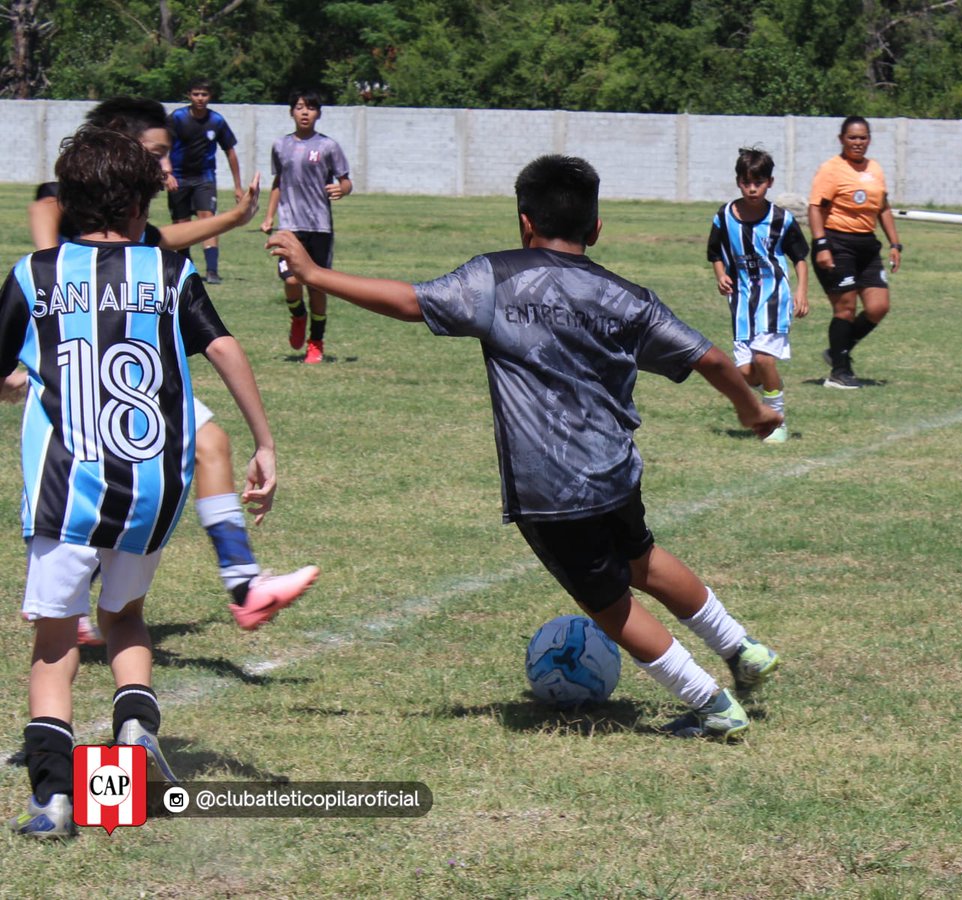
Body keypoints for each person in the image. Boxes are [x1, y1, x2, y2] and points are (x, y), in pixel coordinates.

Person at [268, 155, 781, 739]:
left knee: (610, 605)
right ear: (596, 229)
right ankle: (742, 647)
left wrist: (313, 274)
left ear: (523, 221)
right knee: (643, 560)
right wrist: (753, 408)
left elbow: (410, 301)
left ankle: (711, 704)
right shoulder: (627, 297)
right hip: (614, 470)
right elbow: (710, 357)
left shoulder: (496, 278)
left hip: (552, 489)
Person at [2, 126, 278, 836]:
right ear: (142, 201)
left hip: (66, 490)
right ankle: (129, 744)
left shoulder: (34, 275)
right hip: (150, 491)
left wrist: (16, 384)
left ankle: (54, 801)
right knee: (124, 617)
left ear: (67, 201)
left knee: (57, 644)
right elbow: (221, 345)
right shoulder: (171, 272)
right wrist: (264, 439)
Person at [25, 97, 319, 641]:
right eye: (157, 154)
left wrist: (231, 219)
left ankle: (243, 585)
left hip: (128, 368)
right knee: (105, 471)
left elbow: (156, 245)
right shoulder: (62, 199)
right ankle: (75, 602)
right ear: (119, 141)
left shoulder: (130, 223)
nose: (166, 169)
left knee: (210, 444)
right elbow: (53, 256)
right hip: (83, 371)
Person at [707, 147, 809, 444]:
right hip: (741, 303)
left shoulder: (781, 219)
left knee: (764, 360)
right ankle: (771, 385)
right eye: (746, 182)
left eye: (759, 182)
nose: (753, 188)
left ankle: (776, 422)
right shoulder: (725, 216)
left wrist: (802, 290)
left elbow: (800, 256)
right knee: (747, 374)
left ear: (770, 183)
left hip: (774, 296)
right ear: (738, 181)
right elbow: (715, 252)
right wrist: (720, 274)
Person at [807, 116, 903, 389]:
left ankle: (838, 348)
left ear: (869, 140)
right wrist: (822, 244)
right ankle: (839, 372)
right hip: (837, 243)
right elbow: (816, 208)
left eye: (862, 138)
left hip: (867, 245)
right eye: (852, 137)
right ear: (842, 139)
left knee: (878, 307)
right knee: (845, 308)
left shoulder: (875, 169)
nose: (857, 143)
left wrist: (895, 244)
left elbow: (883, 207)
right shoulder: (831, 169)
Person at [260, 89, 352, 365]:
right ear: (291, 112)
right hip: (289, 225)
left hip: (320, 227)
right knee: (290, 280)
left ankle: (316, 343)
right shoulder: (280, 145)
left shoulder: (328, 147)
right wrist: (268, 216)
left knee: (317, 286)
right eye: (299, 107)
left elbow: (346, 180)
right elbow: (279, 182)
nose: (304, 112)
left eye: (310, 108)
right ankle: (298, 314)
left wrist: (342, 189)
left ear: (318, 114)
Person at [167, 78, 244, 284]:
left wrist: (238, 186)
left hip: (204, 178)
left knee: (207, 220)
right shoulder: (177, 118)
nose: (200, 98)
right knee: (181, 224)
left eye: (204, 94)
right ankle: (186, 268)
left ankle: (212, 270)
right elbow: (162, 147)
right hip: (179, 178)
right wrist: (167, 174)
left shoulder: (216, 121)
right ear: (189, 95)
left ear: (210, 96)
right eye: (196, 94)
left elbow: (230, 152)